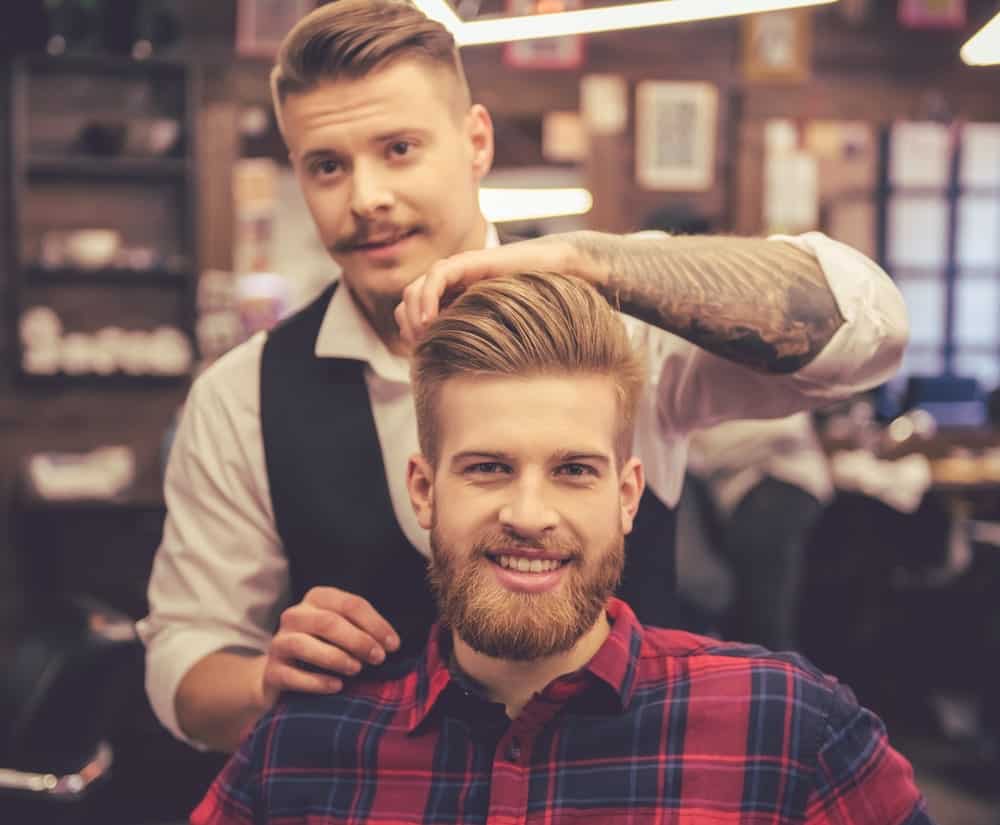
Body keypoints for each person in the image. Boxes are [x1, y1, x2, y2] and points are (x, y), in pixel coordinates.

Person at [137, 0, 909, 754]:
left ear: (476, 141)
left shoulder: (626, 328)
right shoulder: (245, 395)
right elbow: (185, 656)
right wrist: (261, 683)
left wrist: (588, 262)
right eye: (327, 165)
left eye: (399, 148)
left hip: (633, 788)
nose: (366, 196)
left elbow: (867, 327)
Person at [190, 272, 930, 825]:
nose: (529, 514)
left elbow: (863, 318)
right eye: (487, 467)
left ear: (628, 493)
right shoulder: (304, 745)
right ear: (424, 488)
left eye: (574, 470)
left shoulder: (788, 727)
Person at [686, 412, 833, 650]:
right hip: (751, 496)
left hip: (776, 490)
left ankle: (778, 683)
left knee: (765, 624)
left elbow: (786, 432)